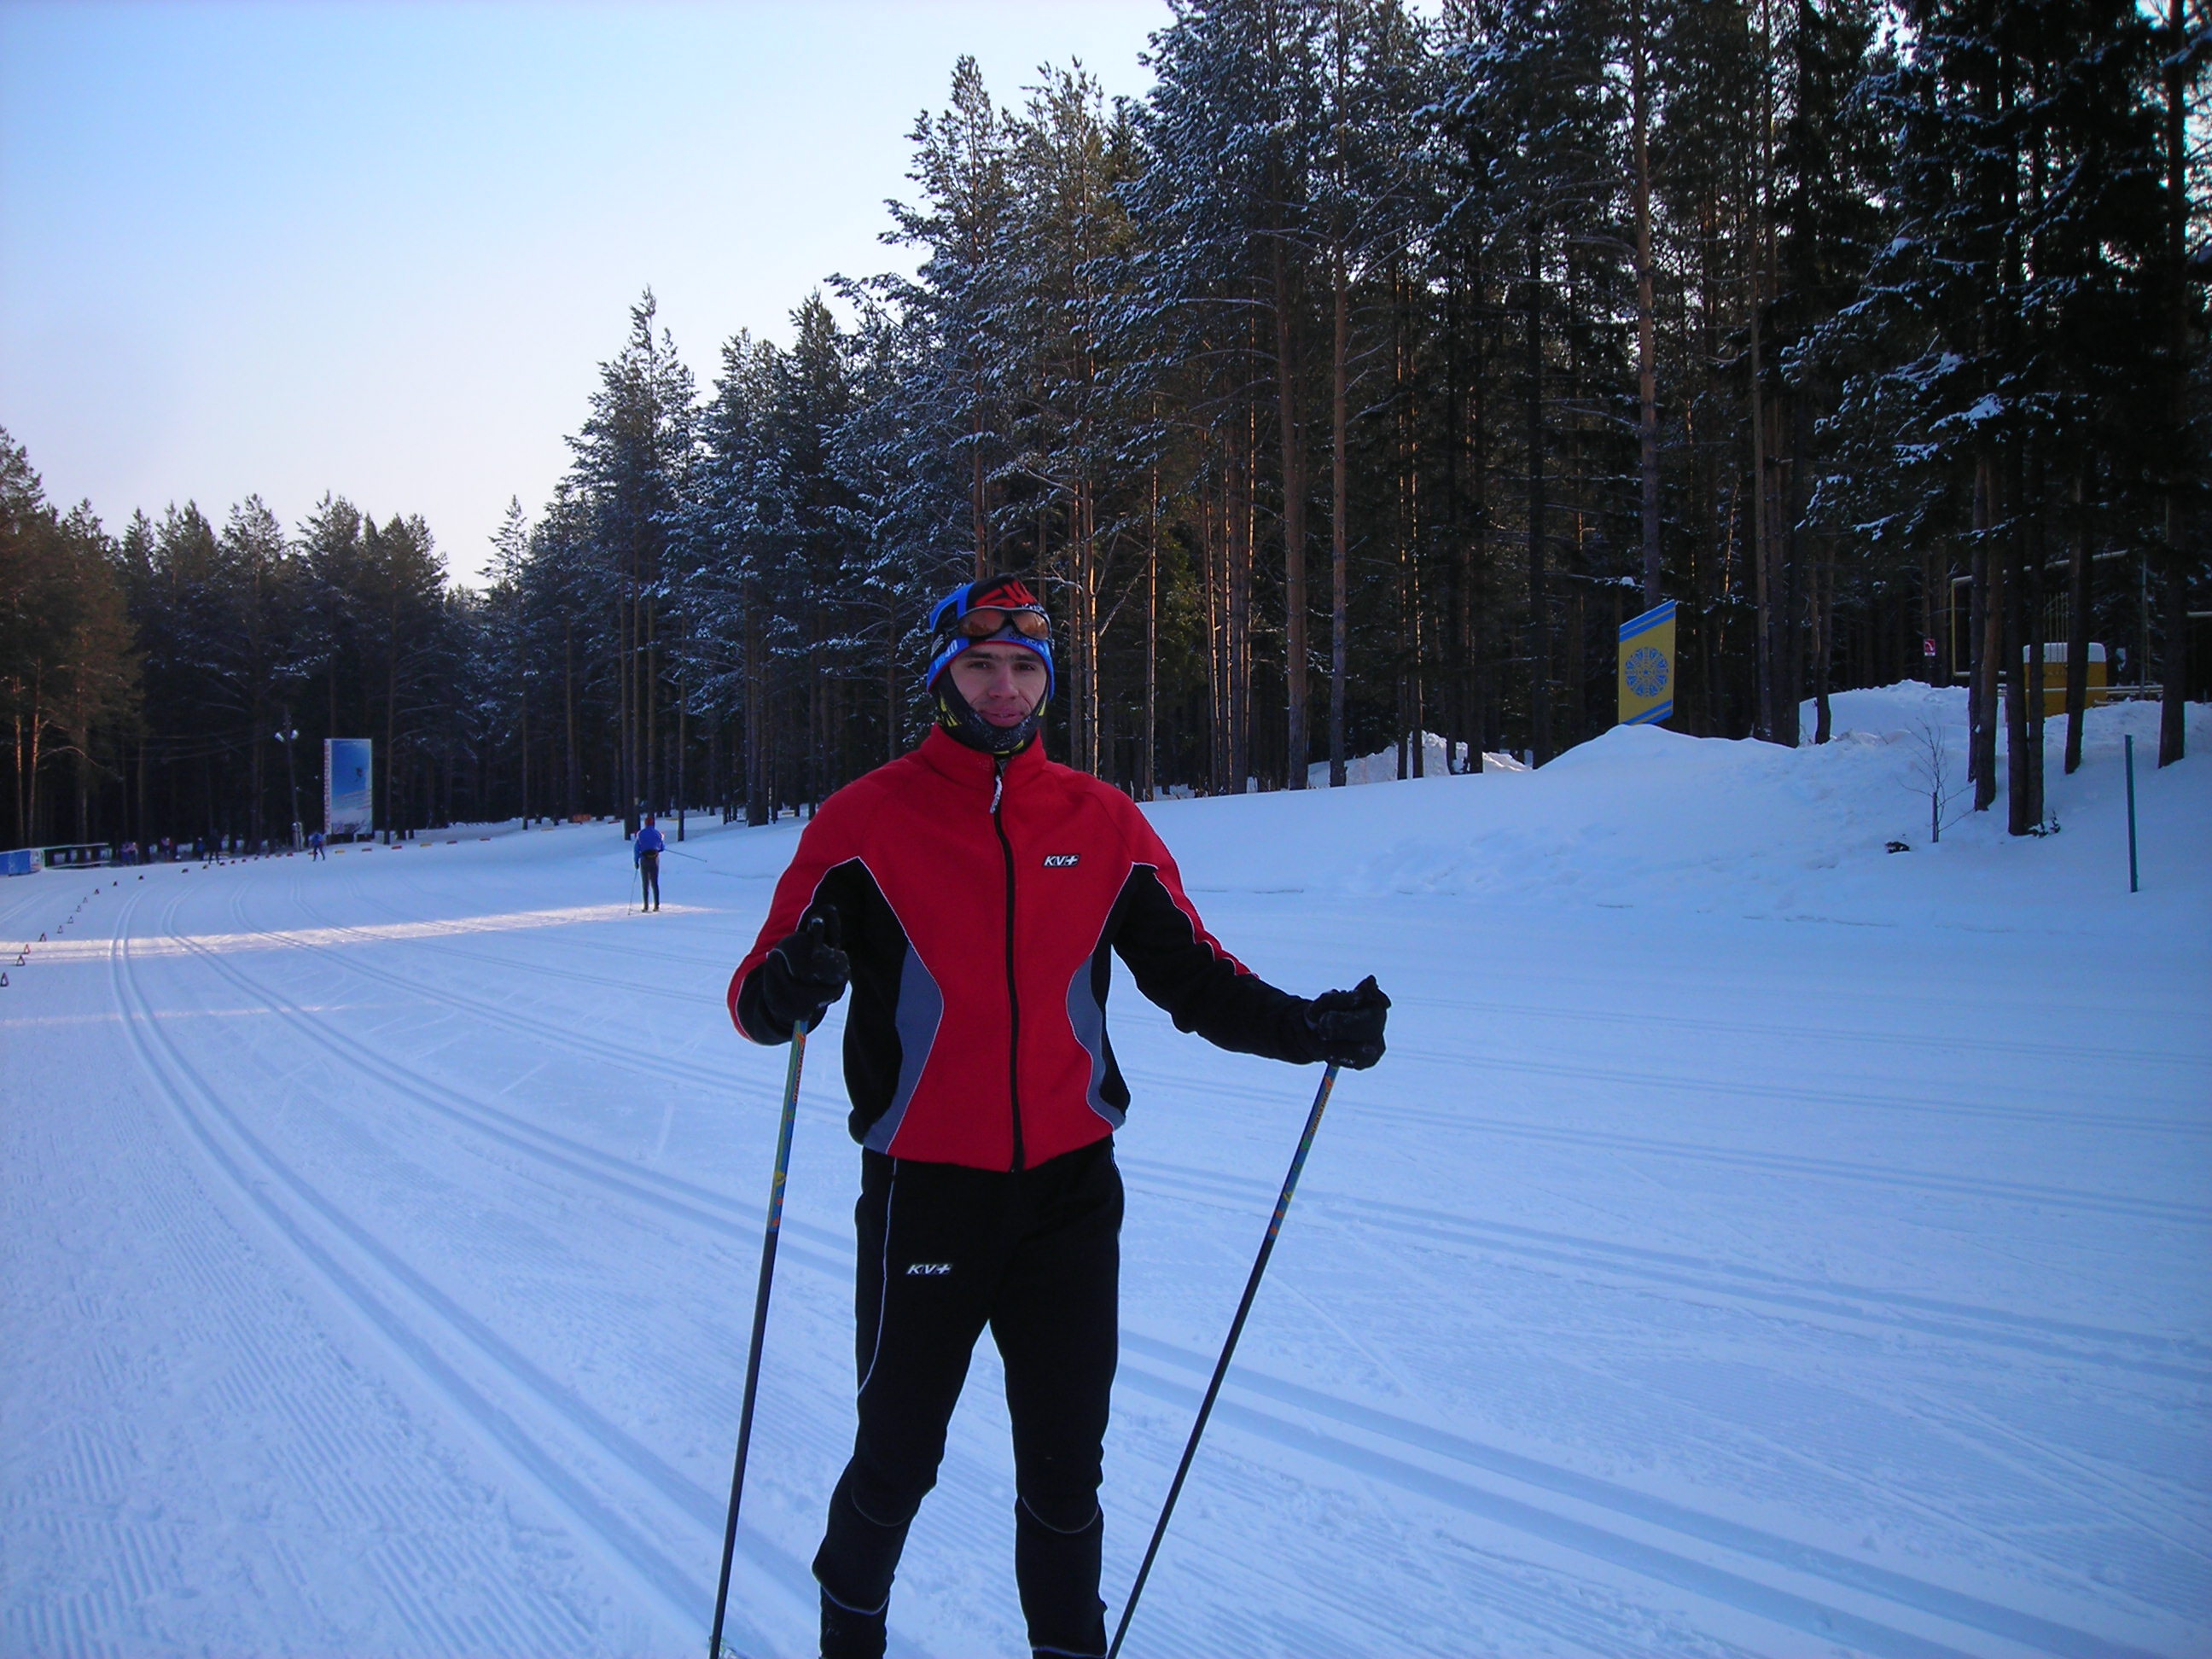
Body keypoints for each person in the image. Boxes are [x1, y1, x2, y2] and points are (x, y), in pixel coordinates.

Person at [726, 576, 1389, 1659]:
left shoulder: (1102, 821)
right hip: (926, 1195)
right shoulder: (865, 822)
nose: (1004, 689)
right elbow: (758, 996)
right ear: (943, 676)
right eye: (981, 665)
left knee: (1066, 1470)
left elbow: (1195, 977)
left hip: (1071, 1198)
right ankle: (849, 1637)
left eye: (1025, 669)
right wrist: (788, 986)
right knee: (896, 1460)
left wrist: (1308, 1028)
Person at [634, 812, 666, 911]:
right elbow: (662, 847)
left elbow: (636, 849)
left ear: (645, 824)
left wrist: (636, 861)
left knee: (645, 883)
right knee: (655, 883)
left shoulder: (640, 834)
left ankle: (646, 906)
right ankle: (656, 906)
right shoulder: (658, 834)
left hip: (644, 859)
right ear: (653, 824)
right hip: (655, 859)